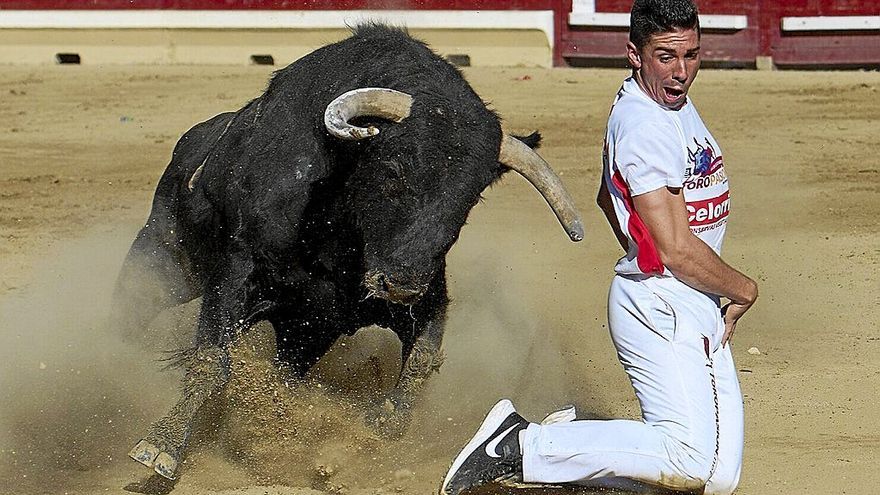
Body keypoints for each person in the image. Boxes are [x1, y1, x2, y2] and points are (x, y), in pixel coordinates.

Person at [439, 1, 759, 494]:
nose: (680, 72)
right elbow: (675, 249)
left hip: (685, 295)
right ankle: (520, 446)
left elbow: (605, 198)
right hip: (667, 300)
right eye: (666, 57)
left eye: (691, 56)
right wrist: (742, 289)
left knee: (716, 477)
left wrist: (642, 249)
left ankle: (571, 437)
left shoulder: (660, 102)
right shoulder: (647, 125)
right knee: (695, 463)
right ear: (635, 54)